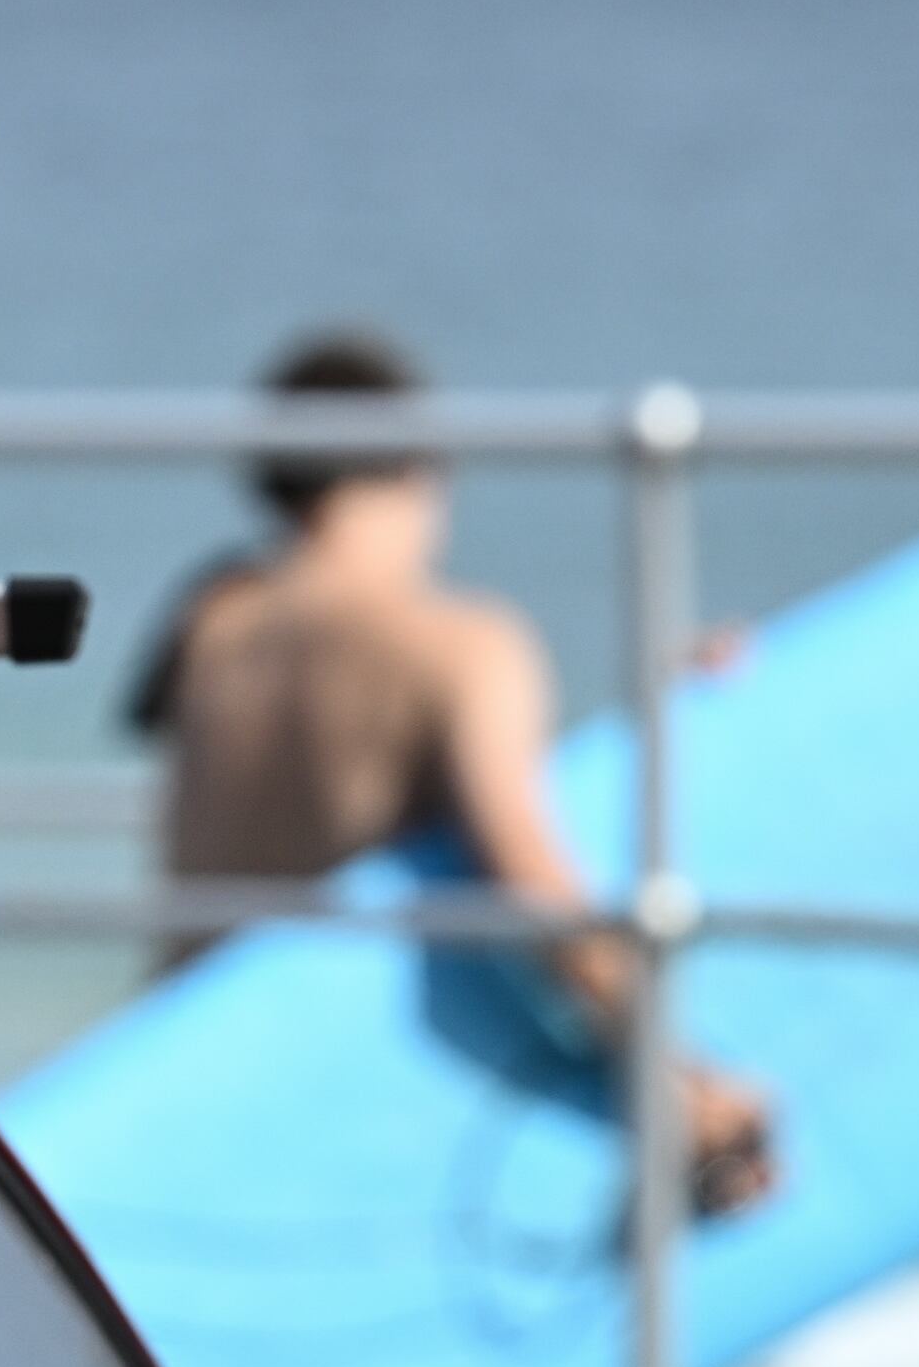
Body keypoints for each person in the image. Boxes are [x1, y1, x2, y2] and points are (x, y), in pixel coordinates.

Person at [132, 324, 779, 1218]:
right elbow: (535, 891)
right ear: (422, 471)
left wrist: (650, 702)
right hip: (354, 1132)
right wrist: (687, 1086)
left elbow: (346, 794)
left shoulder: (208, 630)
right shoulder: (462, 646)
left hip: (182, 1093)